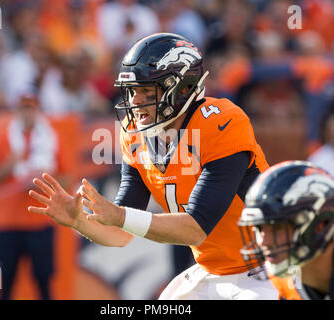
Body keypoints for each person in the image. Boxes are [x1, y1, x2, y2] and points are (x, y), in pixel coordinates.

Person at [28, 33, 278, 300]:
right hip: (211, 270)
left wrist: (119, 216)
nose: (135, 101)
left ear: (182, 89)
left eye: (147, 91)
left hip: (268, 268)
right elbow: (120, 234)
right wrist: (79, 221)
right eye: (133, 91)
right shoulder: (135, 135)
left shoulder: (222, 123)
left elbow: (195, 228)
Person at [0, 91, 64, 300]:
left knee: (43, 282)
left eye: (31, 107)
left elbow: (67, 178)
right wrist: (10, 165)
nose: (27, 112)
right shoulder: (4, 138)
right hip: (8, 223)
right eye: (23, 107)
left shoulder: (51, 138)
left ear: (37, 110)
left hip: (40, 221)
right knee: (5, 283)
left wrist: (44, 177)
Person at [238, 160, 334, 300]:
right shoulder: (285, 281)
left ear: (320, 225)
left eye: (277, 227)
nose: (264, 241)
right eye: (259, 228)